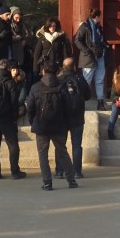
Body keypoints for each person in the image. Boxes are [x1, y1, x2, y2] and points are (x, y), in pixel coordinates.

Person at [27, 62, 78, 190]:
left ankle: (47, 182)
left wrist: (33, 121)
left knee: (43, 155)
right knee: (63, 152)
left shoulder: (36, 87)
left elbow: (30, 107)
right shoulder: (63, 86)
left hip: (41, 125)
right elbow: (69, 107)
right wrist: (66, 123)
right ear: (57, 72)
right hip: (59, 125)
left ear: (43, 72)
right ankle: (71, 180)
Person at [0, 59, 25, 180]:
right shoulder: (10, 83)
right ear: (7, 69)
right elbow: (14, 102)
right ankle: (15, 171)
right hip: (7, 118)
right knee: (13, 145)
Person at [57, 58, 92, 179]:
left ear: (63, 67)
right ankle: (77, 171)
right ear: (74, 67)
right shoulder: (80, 79)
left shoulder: (58, 80)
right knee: (76, 145)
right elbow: (88, 96)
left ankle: (59, 171)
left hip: (61, 117)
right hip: (77, 117)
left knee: (60, 145)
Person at [75, 7, 108, 110]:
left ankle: (100, 101)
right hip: (89, 56)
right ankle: (81, 101)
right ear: (97, 16)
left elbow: (101, 40)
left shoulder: (99, 27)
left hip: (99, 55)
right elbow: (77, 40)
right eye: (100, 16)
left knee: (100, 80)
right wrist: (86, 50)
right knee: (86, 80)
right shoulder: (85, 26)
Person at [32, 17, 72, 87]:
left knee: (57, 85)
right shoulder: (42, 38)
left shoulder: (61, 37)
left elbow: (65, 53)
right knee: (44, 85)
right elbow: (37, 54)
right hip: (45, 66)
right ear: (47, 26)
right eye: (50, 26)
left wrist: (65, 66)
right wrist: (35, 69)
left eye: (54, 26)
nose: (52, 28)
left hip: (57, 65)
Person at [8, 7, 32, 75]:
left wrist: (25, 40)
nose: (18, 20)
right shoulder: (8, 25)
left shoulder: (22, 25)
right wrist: (16, 38)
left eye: (19, 18)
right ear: (12, 16)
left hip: (20, 49)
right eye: (16, 18)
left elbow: (27, 35)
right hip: (11, 48)